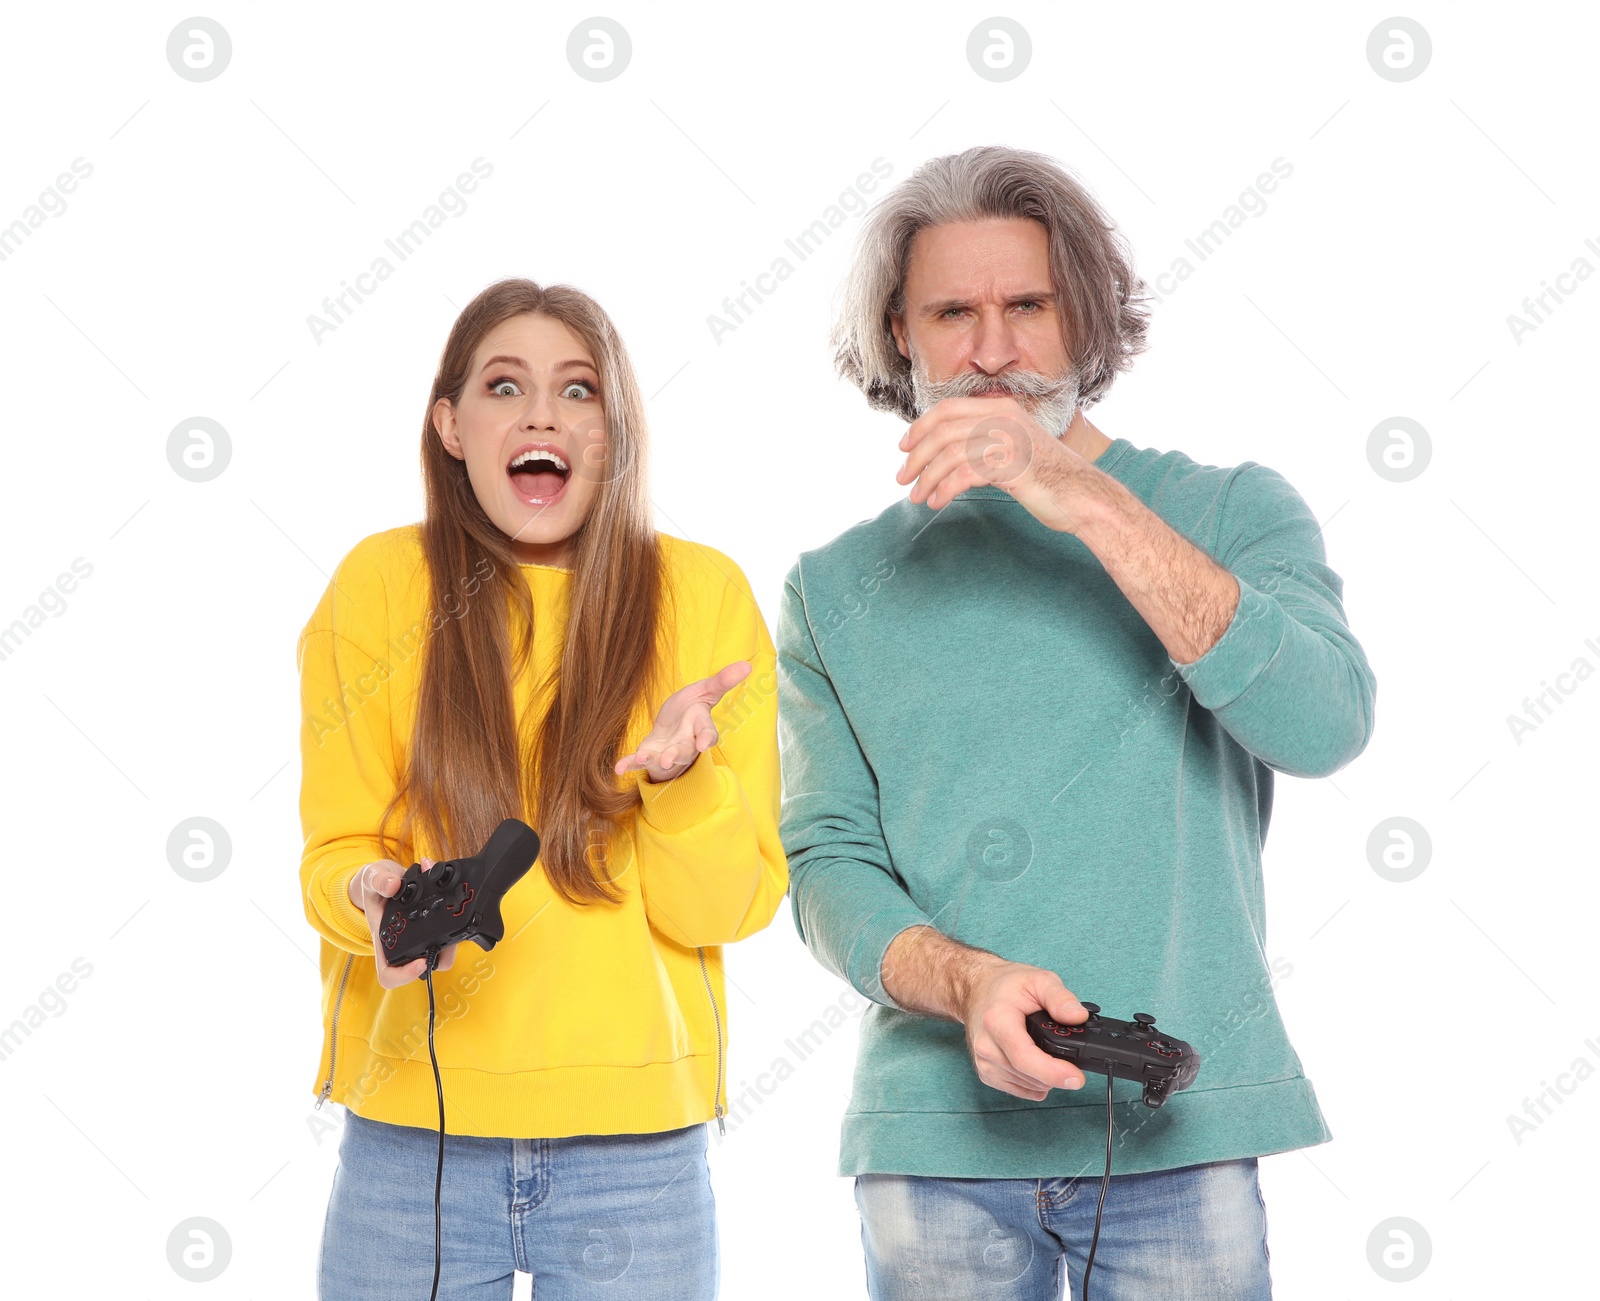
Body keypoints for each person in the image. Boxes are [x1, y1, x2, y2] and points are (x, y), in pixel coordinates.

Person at [777, 146, 1377, 1299]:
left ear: (1084, 318)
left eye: (1028, 306)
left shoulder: (1230, 510)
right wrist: (964, 984)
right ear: (901, 335)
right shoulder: (832, 586)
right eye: (951, 311)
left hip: (1176, 1128)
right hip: (931, 1144)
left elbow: (1323, 722)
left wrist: (1079, 495)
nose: (991, 350)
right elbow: (826, 867)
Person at [297, 278, 786, 1300]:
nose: (539, 415)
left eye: (578, 391)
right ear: (451, 425)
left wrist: (684, 781)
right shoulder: (380, 585)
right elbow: (332, 852)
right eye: (504, 385)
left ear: (614, 429)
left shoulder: (701, 595)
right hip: (412, 1150)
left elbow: (727, 908)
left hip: (637, 1152)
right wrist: (370, 899)